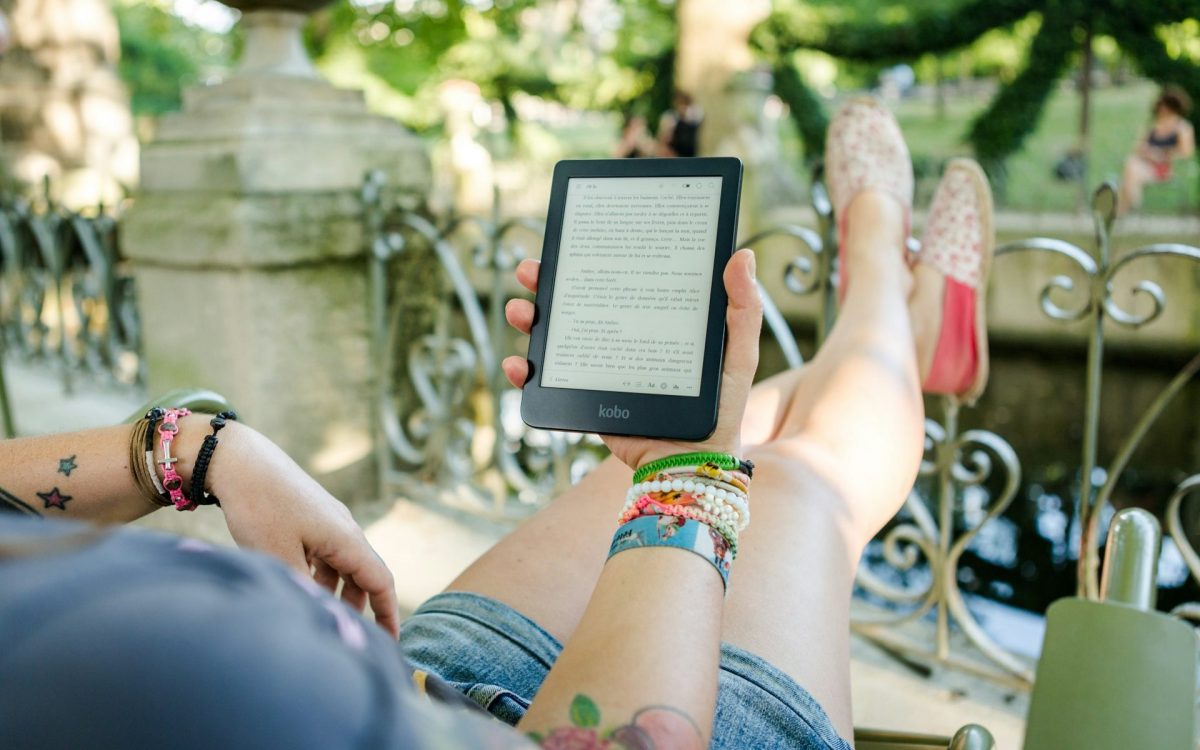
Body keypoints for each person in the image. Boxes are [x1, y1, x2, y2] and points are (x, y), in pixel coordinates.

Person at [0, 99, 994, 749]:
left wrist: (205, 450)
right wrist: (686, 475)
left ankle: (897, 331)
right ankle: (882, 274)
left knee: (748, 425)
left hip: (428, 673)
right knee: (803, 481)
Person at [1117, 85, 1195, 216]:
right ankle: (1129, 204)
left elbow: (1185, 153)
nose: (1161, 110)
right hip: (1146, 165)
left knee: (1131, 169)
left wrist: (1162, 155)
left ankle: (1126, 207)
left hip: (1166, 169)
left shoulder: (1182, 128)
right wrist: (1149, 154)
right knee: (1132, 164)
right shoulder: (1153, 127)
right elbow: (1139, 147)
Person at [657, 91, 703, 158]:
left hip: (690, 153)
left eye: (684, 103)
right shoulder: (669, 116)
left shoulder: (694, 116)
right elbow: (662, 138)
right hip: (673, 153)